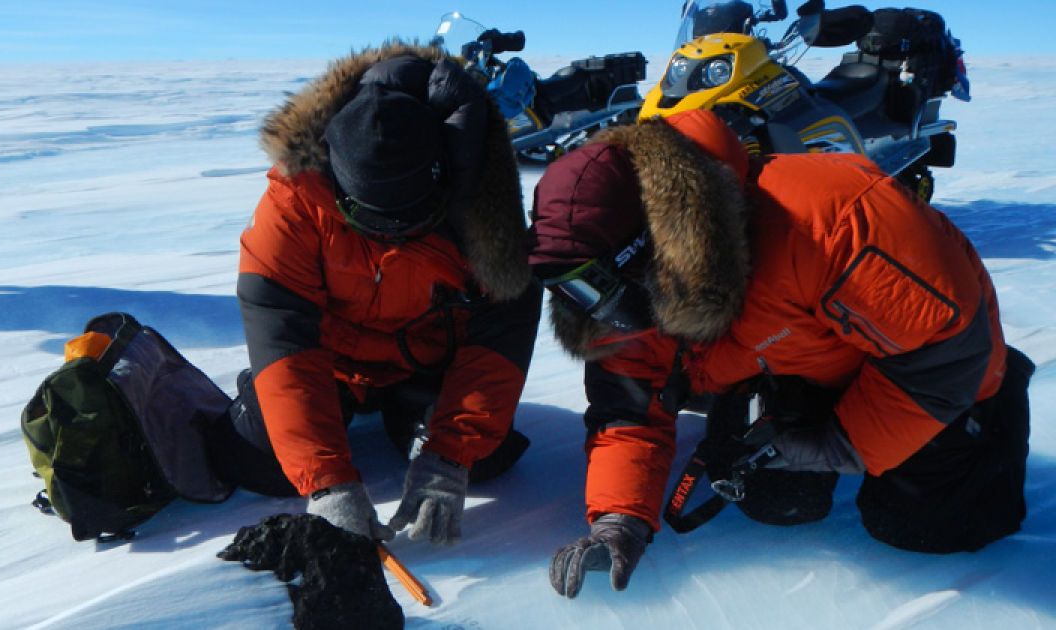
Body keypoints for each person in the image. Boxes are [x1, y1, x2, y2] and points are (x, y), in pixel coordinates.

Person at [528, 109, 1033, 598]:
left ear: (654, 251)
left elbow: (944, 351)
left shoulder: (830, 219)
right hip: (789, 367)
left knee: (931, 527)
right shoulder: (621, 301)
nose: (599, 313)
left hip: (940, 366)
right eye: (578, 295)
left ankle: (990, 418)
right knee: (778, 503)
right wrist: (619, 519)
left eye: (599, 290)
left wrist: (840, 443)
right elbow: (629, 410)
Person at [207, 43, 542, 545]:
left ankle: (408, 412)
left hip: (425, 361)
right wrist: (327, 485)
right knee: (260, 460)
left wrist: (449, 456)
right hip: (331, 360)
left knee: (485, 461)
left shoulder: (479, 193)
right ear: (339, 188)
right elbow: (279, 325)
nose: (393, 236)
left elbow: (502, 327)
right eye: (370, 222)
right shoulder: (296, 197)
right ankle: (316, 410)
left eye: (413, 219)